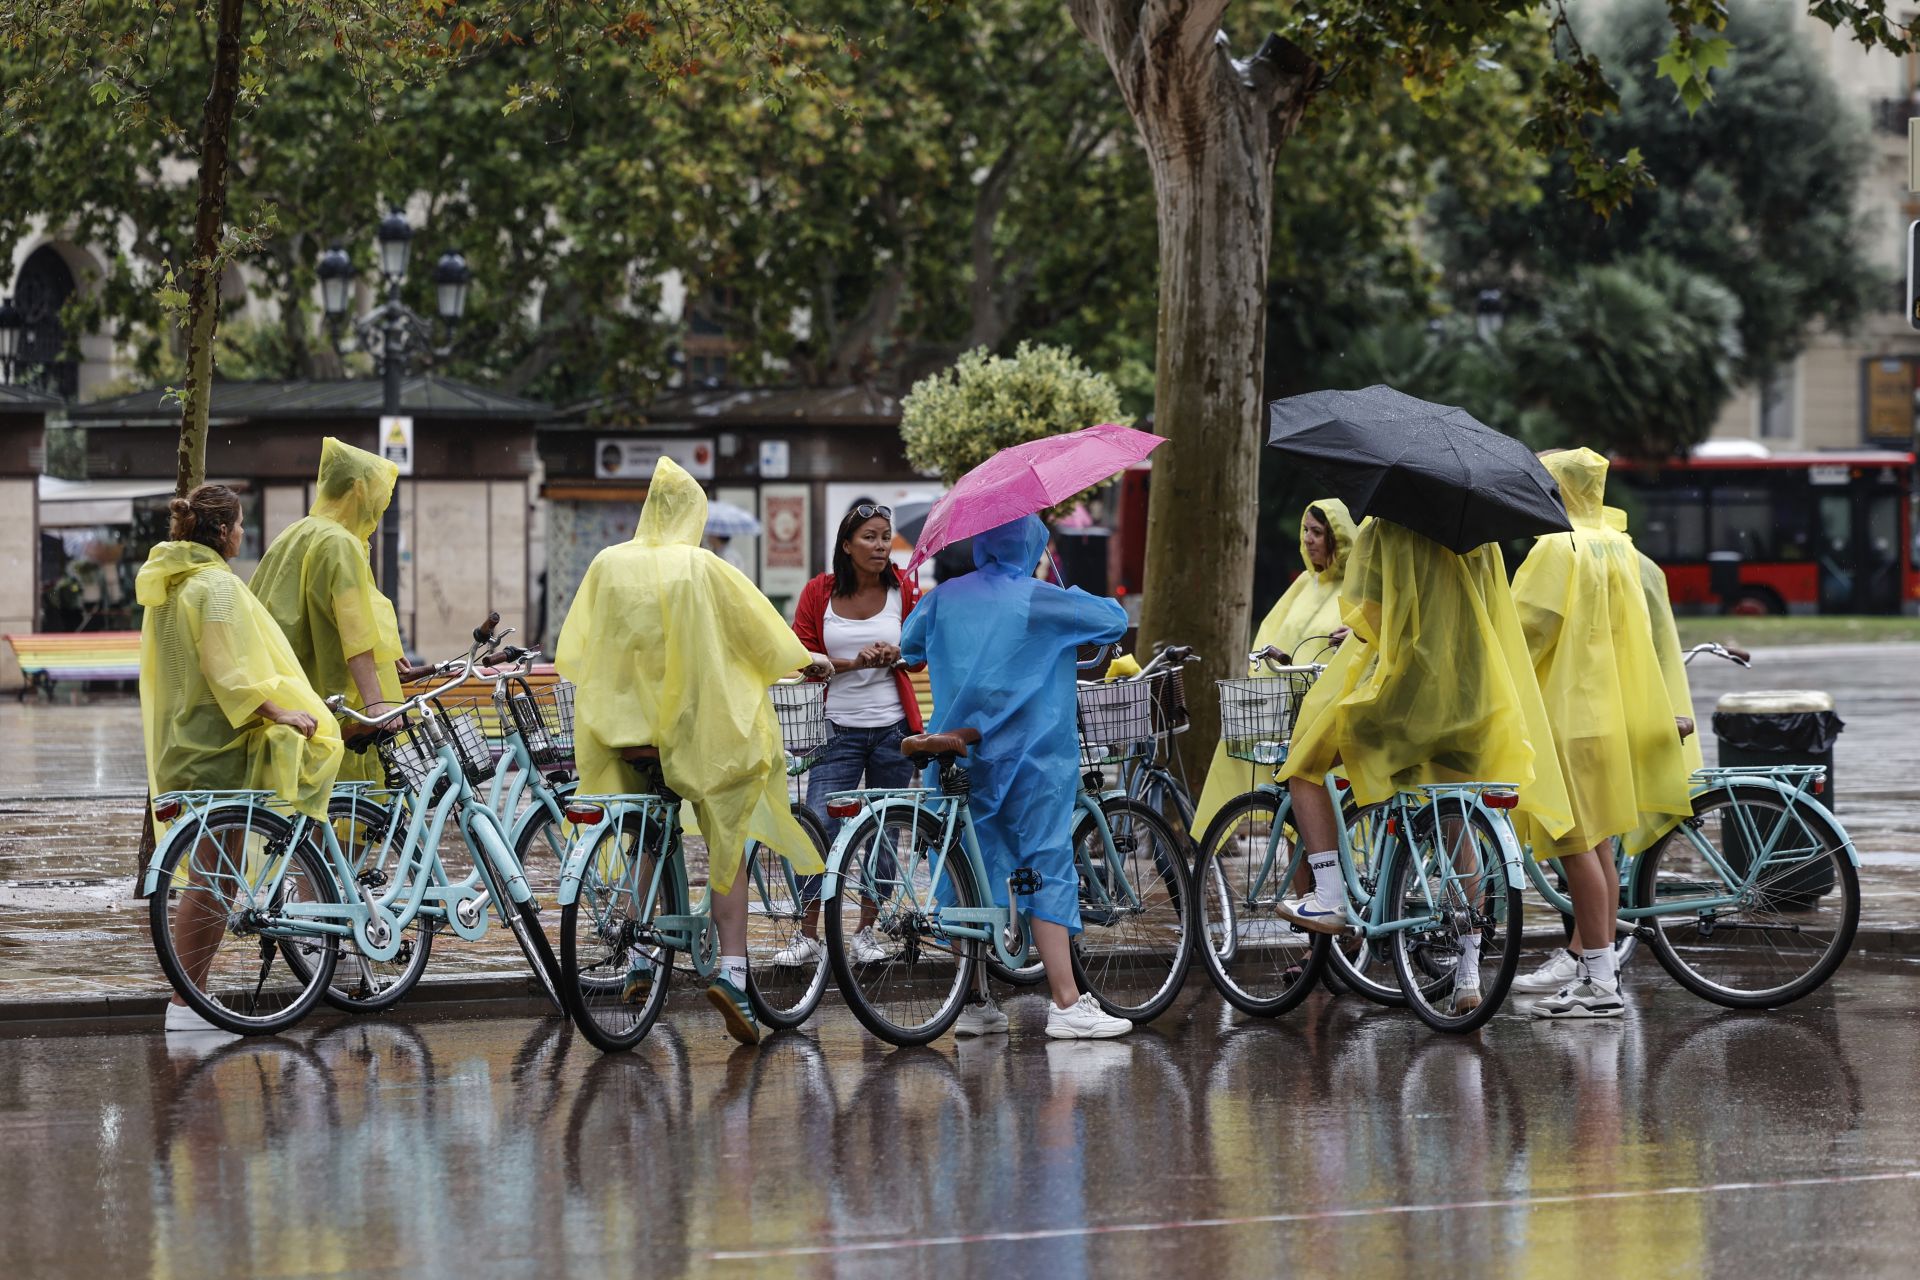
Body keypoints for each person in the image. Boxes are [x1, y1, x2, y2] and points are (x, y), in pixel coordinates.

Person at [555, 456, 830, 1046]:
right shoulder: (701, 566)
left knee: (647, 832)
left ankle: (639, 958)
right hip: (689, 732)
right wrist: (811, 661)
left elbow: (578, 647)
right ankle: (733, 973)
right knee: (728, 827)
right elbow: (761, 633)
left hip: (622, 732)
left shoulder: (607, 564)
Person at [1275, 516, 1574, 1015]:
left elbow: (1369, 616)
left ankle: (1327, 895)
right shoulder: (1480, 537)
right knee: (1457, 823)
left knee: (1304, 765)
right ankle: (1469, 974)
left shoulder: (1383, 530)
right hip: (1471, 696)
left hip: (1405, 695)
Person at [899, 514, 1134, 1040]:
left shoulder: (944, 598)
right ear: (1030, 543)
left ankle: (977, 1001)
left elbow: (910, 647)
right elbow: (1114, 620)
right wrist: (1061, 582)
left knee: (970, 871)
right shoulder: (1037, 598)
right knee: (1044, 863)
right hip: (1031, 758)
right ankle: (1068, 1003)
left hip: (959, 756)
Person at [138, 485, 344, 1033]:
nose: (243, 533)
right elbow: (227, 670)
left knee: (212, 874)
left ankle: (192, 1000)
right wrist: (279, 712)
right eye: (239, 525)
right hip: (220, 742)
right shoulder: (215, 587)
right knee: (211, 875)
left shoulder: (173, 581)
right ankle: (187, 1004)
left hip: (187, 737)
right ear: (222, 531)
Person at [1507, 452, 1695, 1018]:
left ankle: (1600, 983)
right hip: (1610, 714)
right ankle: (1598, 963)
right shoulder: (1618, 544)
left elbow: (1525, 630)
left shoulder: (1556, 548)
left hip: (1568, 714)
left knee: (1574, 845)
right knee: (1600, 847)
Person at [774, 502, 925, 967]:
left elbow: (919, 655)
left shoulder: (903, 589)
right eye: (870, 537)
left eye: (886, 537)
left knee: (884, 833)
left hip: (892, 730)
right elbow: (800, 658)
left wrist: (894, 653)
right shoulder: (819, 592)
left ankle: (866, 931)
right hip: (836, 729)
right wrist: (853, 662)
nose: (881, 546)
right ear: (846, 544)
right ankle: (807, 933)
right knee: (818, 825)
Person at [1192, 499, 1356, 840]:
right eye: (1305, 531)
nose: (1309, 539)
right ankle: (1301, 892)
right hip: (1288, 710)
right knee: (1290, 817)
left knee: (1321, 810)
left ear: (1337, 538)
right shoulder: (1303, 585)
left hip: (1327, 713)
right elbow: (1273, 633)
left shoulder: (1354, 588)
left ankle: (1330, 885)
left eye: (1318, 532)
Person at [249, 438, 404, 783]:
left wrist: (388, 656)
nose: (379, 508)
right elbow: (355, 629)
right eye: (379, 496)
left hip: (291, 695)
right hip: (333, 703)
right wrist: (375, 703)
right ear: (359, 490)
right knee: (348, 808)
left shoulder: (294, 534)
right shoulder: (341, 544)